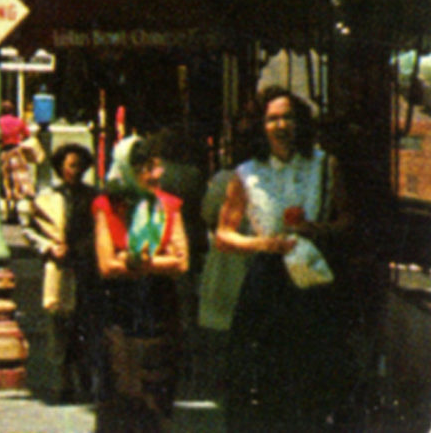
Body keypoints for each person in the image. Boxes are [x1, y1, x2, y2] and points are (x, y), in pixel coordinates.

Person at [211, 89, 348, 433]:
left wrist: (316, 228)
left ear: (301, 123)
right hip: (267, 280)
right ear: (261, 126)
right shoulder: (246, 173)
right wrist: (263, 243)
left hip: (311, 274)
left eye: (288, 117)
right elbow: (224, 235)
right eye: (272, 119)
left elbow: (347, 219)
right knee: (261, 375)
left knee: (311, 374)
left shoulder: (324, 165)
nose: (281, 125)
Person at [93, 133, 189, 433]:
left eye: (157, 167)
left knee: (157, 392)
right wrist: (151, 262)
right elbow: (106, 264)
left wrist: (137, 262)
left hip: (159, 308)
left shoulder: (169, 206)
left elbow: (182, 261)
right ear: (127, 169)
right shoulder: (106, 206)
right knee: (121, 389)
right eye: (147, 168)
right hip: (119, 310)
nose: (156, 174)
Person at [33, 141, 99, 404]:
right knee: (59, 323)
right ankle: (63, 380)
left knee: (86, 324)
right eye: (71, 165)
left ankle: (86, 377)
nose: (76, 170)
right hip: (59, 269)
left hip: (87, 268)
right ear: (60, 168)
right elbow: (32, 231)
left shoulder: (94, 197)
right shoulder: (47, 198)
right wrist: (49, 247)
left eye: (80, 165)